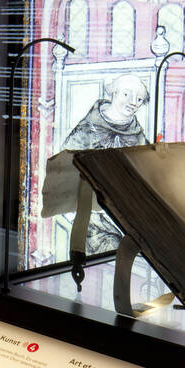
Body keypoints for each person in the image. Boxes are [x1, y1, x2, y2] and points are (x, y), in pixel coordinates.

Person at [62, 75, 151, 253]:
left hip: (130, 211)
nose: (133, 102)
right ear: (114, 93)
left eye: (139, 99)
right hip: (93, 213)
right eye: (126, 94)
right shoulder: (87, 129)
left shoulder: (138, 135)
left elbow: (147, 172)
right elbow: (65, 171)